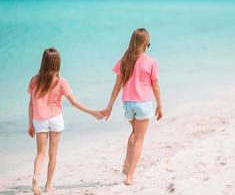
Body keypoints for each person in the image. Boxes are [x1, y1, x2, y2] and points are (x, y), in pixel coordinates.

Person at [27, 48, 103, 194]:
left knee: (40, 153)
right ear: (58, 63)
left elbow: (31, 104)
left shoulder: (34, 80)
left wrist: (30, 124)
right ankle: (48, 185)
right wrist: (92, 112)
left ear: (43, 62)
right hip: (55, 119)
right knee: (53, 154)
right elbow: (74, 103)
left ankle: (35, 177)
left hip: (40, 120)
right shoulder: (61, 81)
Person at [102, 28, 163, 185]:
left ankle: (127, 163)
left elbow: (117, 87)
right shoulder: (151, 62)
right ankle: (130, 175)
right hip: (143, 103)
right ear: (146, 44)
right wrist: (160, 106)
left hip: (127, 104)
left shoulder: (124, 60)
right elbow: (155, 87)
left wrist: (109, 106)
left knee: (134, 133)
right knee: (139, 139)